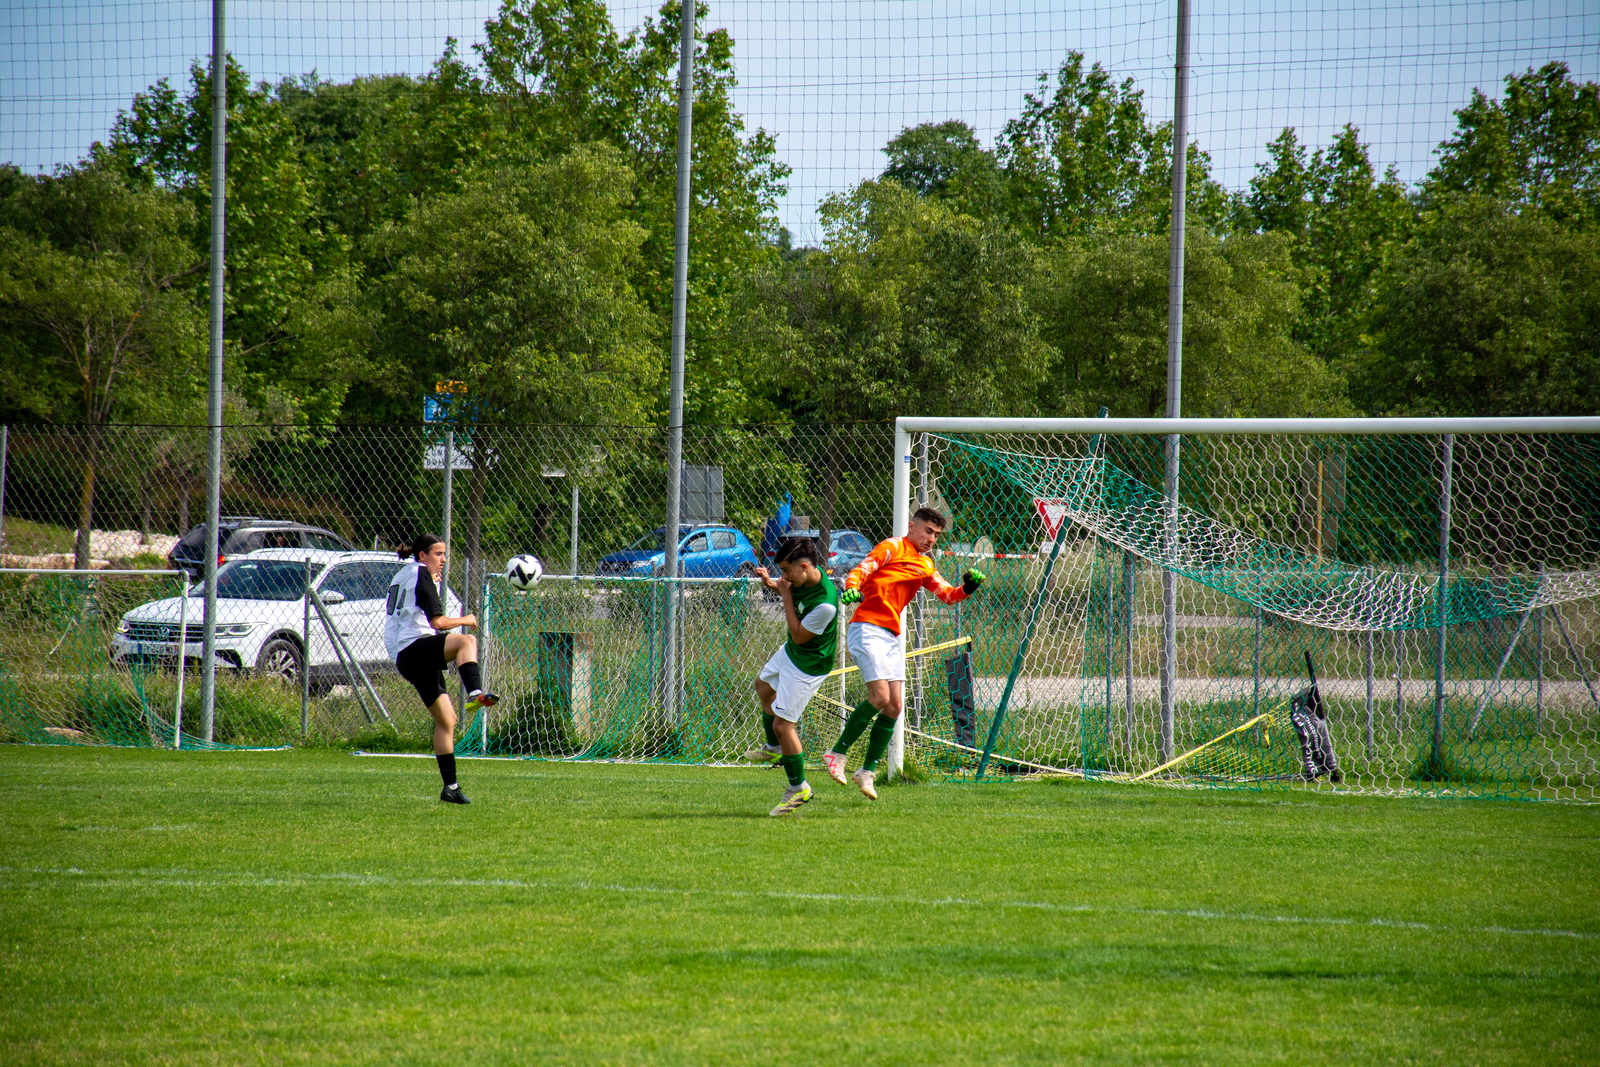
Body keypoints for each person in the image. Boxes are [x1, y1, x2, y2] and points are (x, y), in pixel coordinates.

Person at [821, 507, 985, 798]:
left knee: (894, 706)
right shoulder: (893, 546)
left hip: (890, 636)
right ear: (912, 527)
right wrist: (852, 587)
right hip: (867, 627)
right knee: (880, 698)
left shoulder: (925, 563)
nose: (931, 538)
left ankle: (866, 771)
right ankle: (837, 753)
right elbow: (862, 569)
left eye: (936, 535)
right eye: (927, 531)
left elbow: (948, 595)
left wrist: (968, 587)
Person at [384, 533, 498, 804]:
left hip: (406, 654)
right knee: (467, 641)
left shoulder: (406, 573)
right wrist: (466, 619)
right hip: (414, 648)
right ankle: (475, 693)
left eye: (445, 554)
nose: (444, 559)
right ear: (422, 555)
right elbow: (438, 622)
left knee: (447, 721)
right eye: (438, 553)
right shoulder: (421, 573)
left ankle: (451, 788)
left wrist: (432, 582)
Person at [741, 537, 841, 817]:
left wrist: (783, 595)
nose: (783, 577)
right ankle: (774, 749)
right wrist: (769, 583)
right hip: (793, 653)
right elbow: (788, 590)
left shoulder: (826, 604)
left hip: (808, 665)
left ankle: (799, 788)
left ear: (805, 566)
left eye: (786, 571)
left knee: (783, 726)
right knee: (763, 687)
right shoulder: (804, 580)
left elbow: (798, 636)